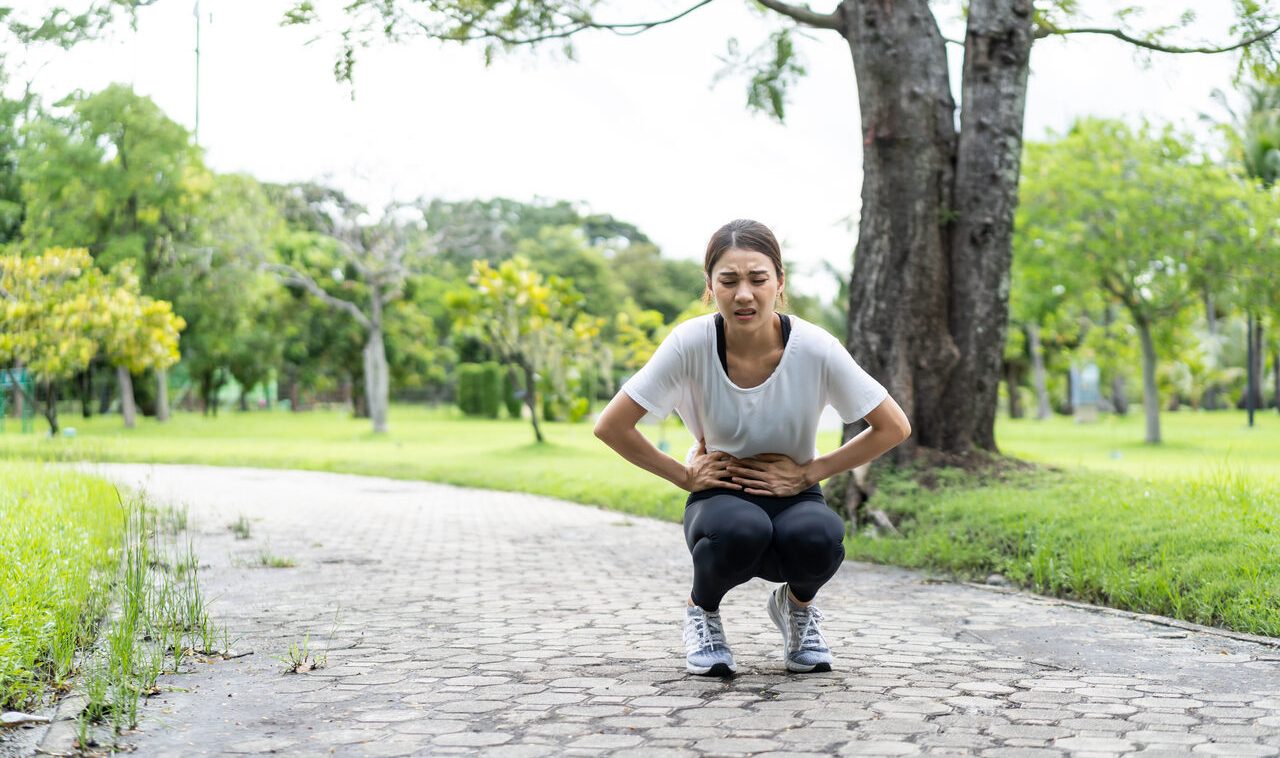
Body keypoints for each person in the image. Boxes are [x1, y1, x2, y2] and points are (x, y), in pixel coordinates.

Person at [594, 219, 911, 676]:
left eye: (758, 279)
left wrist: (810, 473)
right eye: (729, 280)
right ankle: (701, 612)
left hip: (794, 493)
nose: (744, 294)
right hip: (719, 495)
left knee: (820, 539)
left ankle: (796, 608)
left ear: (779, 283)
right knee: (741, 531)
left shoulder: (816, 347)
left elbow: (893, 426)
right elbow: (612, 425)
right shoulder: (689, 343)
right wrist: (684, 476)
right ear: (710, 286)